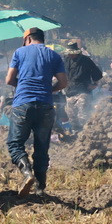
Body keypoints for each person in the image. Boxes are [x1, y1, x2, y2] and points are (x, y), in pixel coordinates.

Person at [6, 28, 68, 195]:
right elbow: (63, 82)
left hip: (23, 104)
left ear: (27, 39)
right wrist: (49, 90)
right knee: (41, 148)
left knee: (15, 143)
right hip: (46, 106)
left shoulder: (19, 52)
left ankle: (27, 173)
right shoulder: (54, 55)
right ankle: (40, 188)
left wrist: (23, 87)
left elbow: (9, 79)